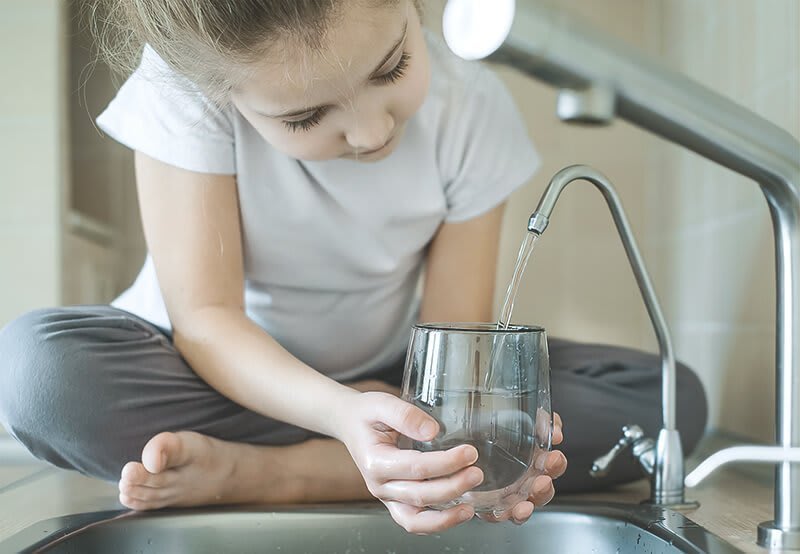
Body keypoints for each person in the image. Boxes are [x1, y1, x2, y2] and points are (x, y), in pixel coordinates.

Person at [0, 0, 706, 535]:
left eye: (392, 67)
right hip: (210, 375)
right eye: (306, 117)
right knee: (42, 375)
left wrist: (468, 427)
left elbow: (456, 352)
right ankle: (356, 459)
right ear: (223, 94)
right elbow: (207, 322)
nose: (372, 133)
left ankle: (274, 475)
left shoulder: (472, 108)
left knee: (671, 401)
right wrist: (342, 412)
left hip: (397, 379)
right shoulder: (179, 91)